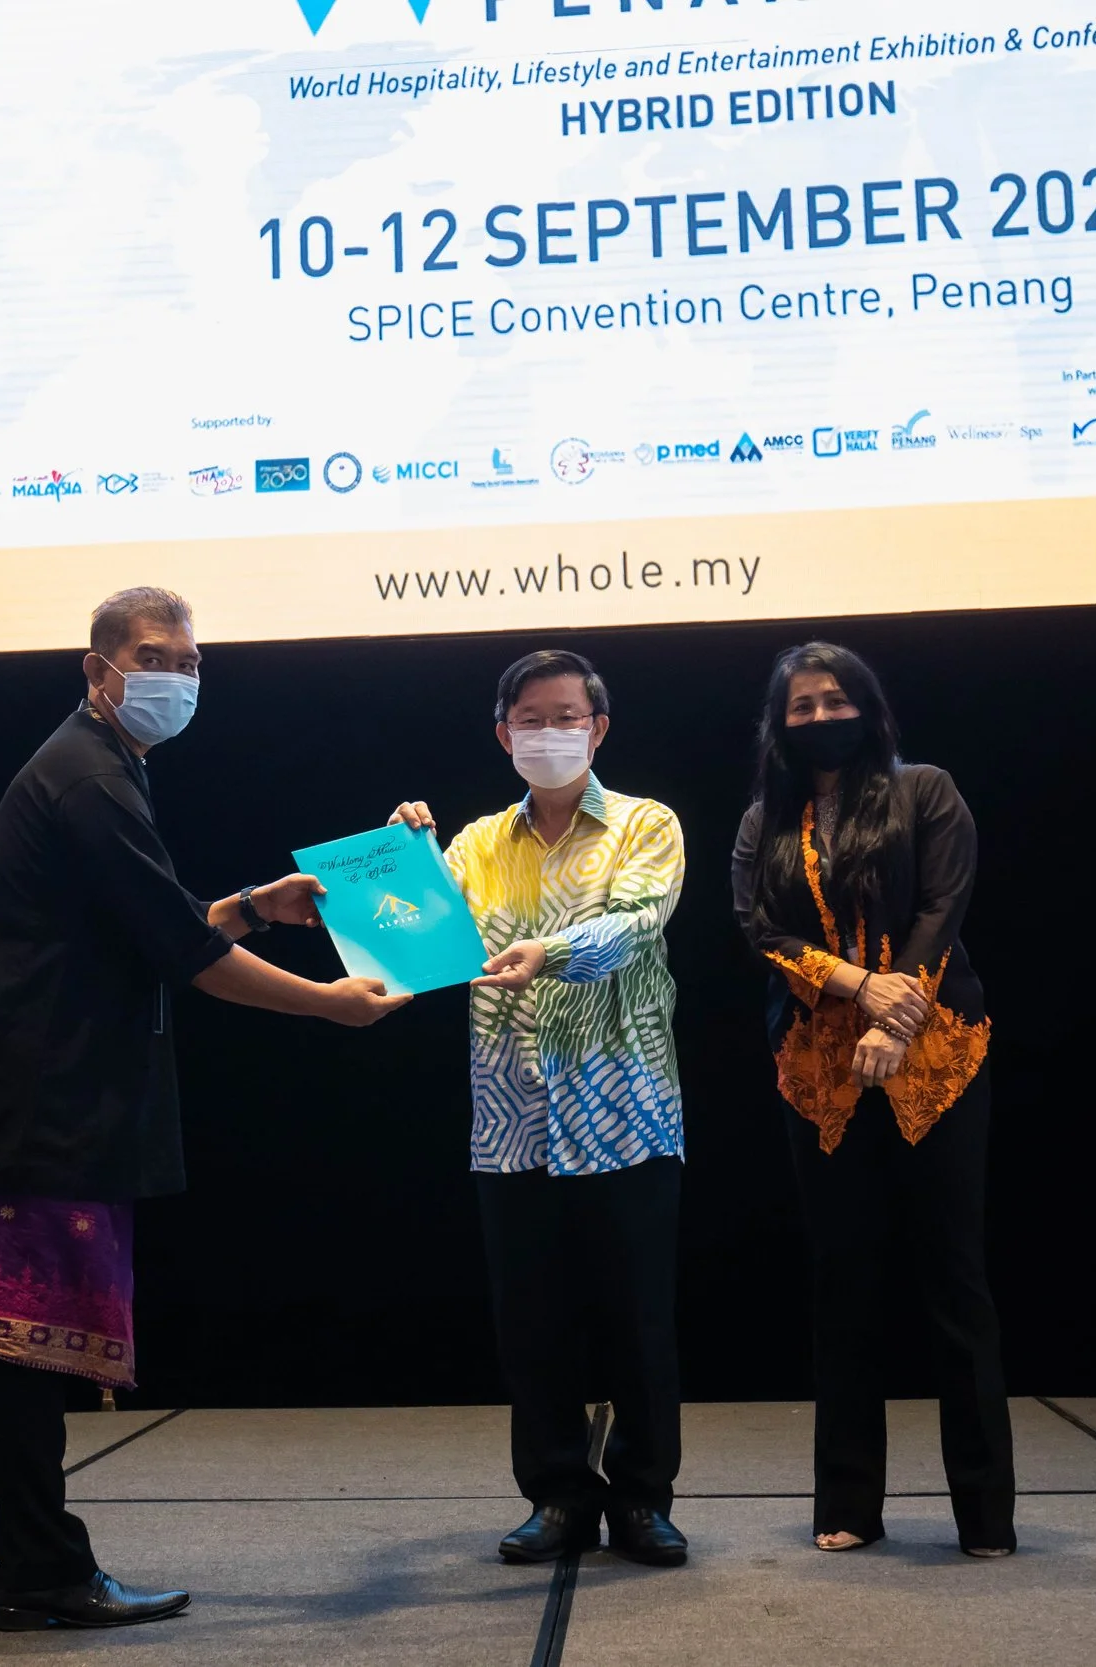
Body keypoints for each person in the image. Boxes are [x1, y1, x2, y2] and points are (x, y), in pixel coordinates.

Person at [0, 587, 410, 1631]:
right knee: (22, 1339)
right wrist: (328, 1003)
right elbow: (189, 956)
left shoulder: (94, 764)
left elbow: (141, 926)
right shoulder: (90, 777)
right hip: (34, 1106)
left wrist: (255, 906)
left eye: (190, 660)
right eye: (152, 656)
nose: (175, 676)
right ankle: (42, 1570)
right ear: (98, 671)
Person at [389, 649, 692, 1568]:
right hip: (512, 1117)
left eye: (567, 716)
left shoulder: (646, 823)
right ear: (503, 733)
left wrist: (547, 952)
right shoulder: (477, 842)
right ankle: (557, 1495)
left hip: (625, 1109)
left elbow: (635, 922)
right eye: (531, 718)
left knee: (638, 1321)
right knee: (533, 1323)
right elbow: (415, 936)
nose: (549, 731)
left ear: (599, 729)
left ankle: (642, 1499)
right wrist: (399, 858)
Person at [729, 641, 1017, 1557]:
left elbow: (942, 908)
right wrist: (857, 986)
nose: (820, 717)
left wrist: (896, 1018)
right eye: (801, 706)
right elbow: (759, 929)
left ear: (867, 705)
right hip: (820, 1072)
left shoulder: (925, 789)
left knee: (954, 1281)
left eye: (834, 700)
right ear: (781, 724)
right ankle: (849, 1502)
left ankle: (985, 1513)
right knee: (842, 1279)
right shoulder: (765, 819)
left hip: (935, 1056)